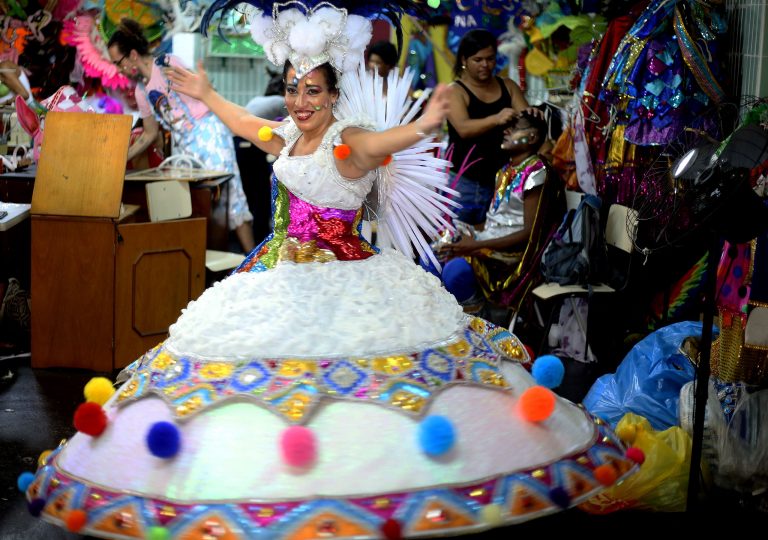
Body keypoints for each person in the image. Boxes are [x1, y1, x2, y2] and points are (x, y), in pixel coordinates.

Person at [23, 4, 632, 538]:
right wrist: (207, 96)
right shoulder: (290, 133)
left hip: (343, 274)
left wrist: (423, 124)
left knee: (342, 384)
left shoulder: (348, 141)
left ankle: (347, 486)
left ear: (334, 95)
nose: (300, 101)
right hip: (277, 267)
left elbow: (381, 145)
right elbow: (252, 128)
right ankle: (253, 484)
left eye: (313, 91)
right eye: (293, 88)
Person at [107, 18, 256, 253]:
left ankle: (252, 262)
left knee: (230, 196)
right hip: (185, 145)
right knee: (198, 204)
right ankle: (205, 266)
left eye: (119, 62)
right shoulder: (141, 92)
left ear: (133, 55)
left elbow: (204, 93)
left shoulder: (166, 64)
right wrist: (120, 158)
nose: (118, 69)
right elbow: (149, 134)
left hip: (209, 131)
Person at [439, 112, 562, 313]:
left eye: (514, 128)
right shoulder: (504, 171)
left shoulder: (537, 172)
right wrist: (461, 232)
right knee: (432, 254)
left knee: (455, 272)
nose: (506, 131)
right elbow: (494, 223)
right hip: (490, 241)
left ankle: (480, 320)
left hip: (511, 256)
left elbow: (529, 234)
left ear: (532, 137)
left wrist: (475, 245)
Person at [447, 29, 536, 225]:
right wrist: (497, 119)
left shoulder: (508, 86)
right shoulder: (455, 91)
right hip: (464, 183)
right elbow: (463, 128)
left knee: (492, 241)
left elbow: (527, 124)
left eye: (490, 59)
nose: (485, 65)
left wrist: (533, 116)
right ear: (464, 59)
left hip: (502, 181)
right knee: (456, 241)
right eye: (478, 60)